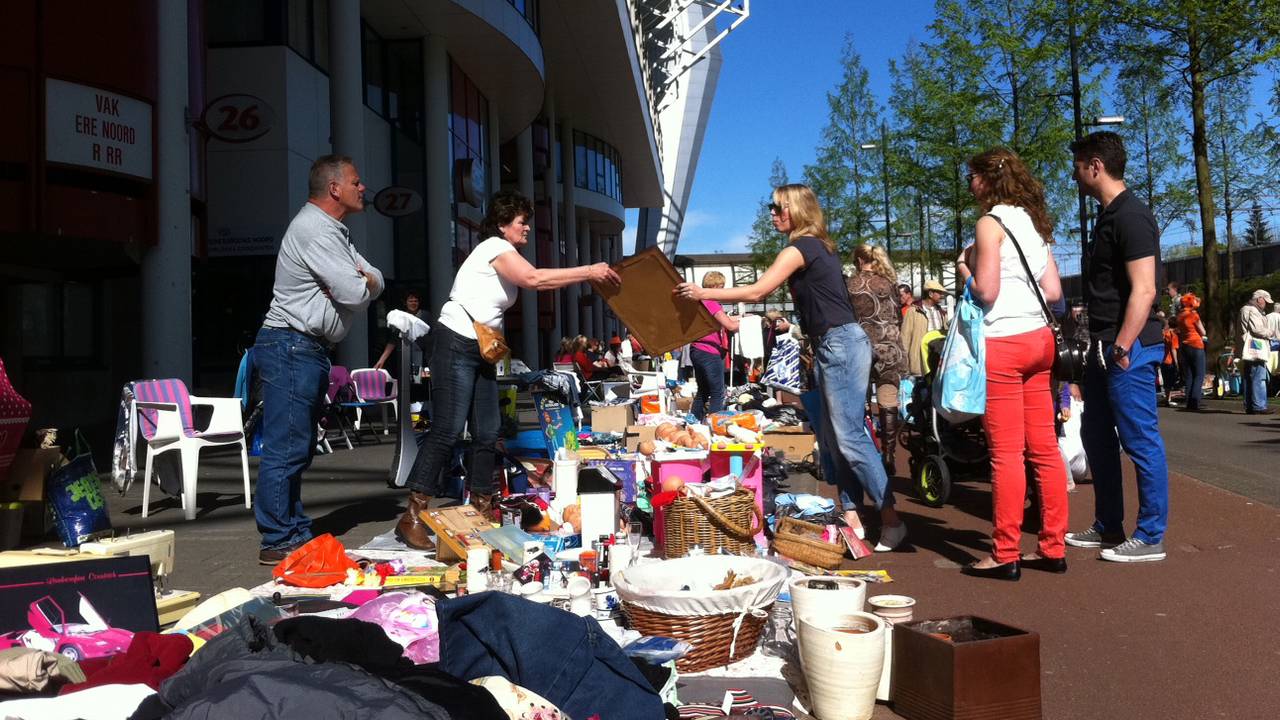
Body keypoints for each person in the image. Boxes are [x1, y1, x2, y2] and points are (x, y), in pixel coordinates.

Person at [674, 184, 907, 551]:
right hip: (831, 345)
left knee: (848, 436)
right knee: (832, 439)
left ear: (796, 209)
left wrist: (704, 293)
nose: (771, 213)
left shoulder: (803, 247)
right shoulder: (816, 247)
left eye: (776, 206)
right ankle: (852, 515)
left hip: (841, 344)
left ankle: (891, 519)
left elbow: (757, 291)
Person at [395, 191, 620, 550]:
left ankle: (482, 505)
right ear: (502, 225)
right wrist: (589, 271)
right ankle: (411, 515)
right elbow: (534, 279)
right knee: (448, 429)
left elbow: (533, 280)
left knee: (488, 430)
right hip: (455, 341)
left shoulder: (504, 253)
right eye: (521, 221)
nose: (527, 227)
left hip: (479, 350)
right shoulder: (492, 247)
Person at [254, 154, 383, 564]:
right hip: (291, 345)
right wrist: (352, 284)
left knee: (299, 445)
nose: (363, 188)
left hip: (302, 348)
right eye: (356, 181)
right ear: (334, 188)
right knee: (287, 446)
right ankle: (278, 537)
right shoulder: (316, 231)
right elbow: (356, 294)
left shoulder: (334, 232)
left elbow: (375, 280)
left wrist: (355, 282)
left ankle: (291, 528)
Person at [956, 147, 1069, 581]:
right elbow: (1054, 291)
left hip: (1003, 341)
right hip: (1040, 340)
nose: (970, 184)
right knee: (1043, 447)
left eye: (972, 177)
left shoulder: (989, 224)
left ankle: (1005, 552)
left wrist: (964, 269)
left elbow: (986, 292)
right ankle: (1052, 546)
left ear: (987, 179)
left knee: (1005, 454)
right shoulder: (1033, 223)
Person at [1064, 131, 1170, 563]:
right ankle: (1109, 524)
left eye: (1077, 166)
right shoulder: (1107, 217)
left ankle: (1149, 536)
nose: (1073, 176)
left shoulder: (1132, 216)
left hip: (1128, 346)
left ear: (1095, 166)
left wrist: (1123, 346)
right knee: (1095, 435)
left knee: (1139, 438)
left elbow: (1144, 290)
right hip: (1105, 345)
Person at [846, 244, 907, 475]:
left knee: (858, 399)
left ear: (860, 261)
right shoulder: (889, 283)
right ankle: (889, 453)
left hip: (861, 345)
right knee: (888, 399)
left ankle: (863, 453)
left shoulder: (850, 284)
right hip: (890, 346)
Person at [689, 271, 740, 420]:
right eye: (722, 287)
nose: (723, 291)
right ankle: (714, 425)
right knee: (718, 392)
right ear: (715, 286)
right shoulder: (711, 302)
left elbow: (723, 319)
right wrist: (752, 323)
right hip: (709, 351)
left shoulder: (700, 303)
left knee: (703, 391)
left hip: (697, 349)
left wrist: (741, 317)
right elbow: (730, 325)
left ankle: (694, 421)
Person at [1238, 289, 1278, 414]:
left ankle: (1250, 405)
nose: (1266, 303)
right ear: (1259, 299)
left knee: (1249, 377)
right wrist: (1271, 333)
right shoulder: (1253, 310)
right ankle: (1259, 406)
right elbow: (1257, 329)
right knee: (1259, 377)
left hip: (1248, 348)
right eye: (1265, 300)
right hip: (1256, 348)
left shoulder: (1245, 308)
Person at [373, 290, 426, 373]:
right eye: (410, 301)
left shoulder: (425, 315)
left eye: (416, 301)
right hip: (405, 355)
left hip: (423, 355)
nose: (413, 303)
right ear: (405, 303)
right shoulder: (400, 318)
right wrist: (381, 360)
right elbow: (393, 340)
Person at [1174, 294, 1206, 411]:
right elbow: (1202, 331)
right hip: (1196, 345)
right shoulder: (1193, 315)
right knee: (1199, 374)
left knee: (1189, 375)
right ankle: (1195, 401)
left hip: (1184, 345)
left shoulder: (1180, 316)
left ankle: (1188, 401)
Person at [1158, 312, 1180, 406]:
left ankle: (1167, 398)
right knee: (1170, 381)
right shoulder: (1173, 335)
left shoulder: (1164, 333)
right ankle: (1168, 399)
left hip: (1163, 359)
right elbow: (1173, 349)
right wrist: (1176, 362)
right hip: (1170, 360)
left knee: (1166, 380)